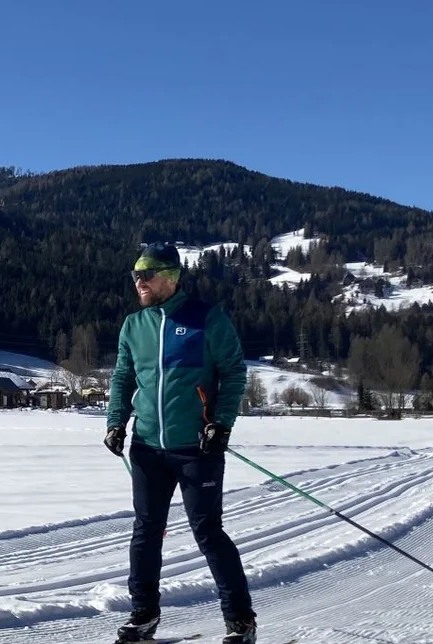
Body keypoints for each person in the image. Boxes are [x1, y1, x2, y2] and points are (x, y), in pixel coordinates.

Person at [104, 243, 256, 644]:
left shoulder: (208, 319)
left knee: (208, 531)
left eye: (147, 274)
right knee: (146, 531)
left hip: (196, 448)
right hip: (148, 448)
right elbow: (122, 379)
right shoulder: (134, 326)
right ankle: (143, 615)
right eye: (135, 274)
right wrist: (116, 422)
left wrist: (220, 425)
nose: (139, 281)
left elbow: (234, 372)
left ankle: (240, 620)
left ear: (170, 276)